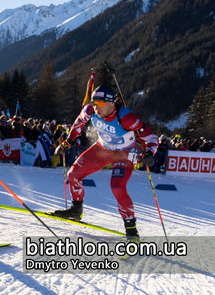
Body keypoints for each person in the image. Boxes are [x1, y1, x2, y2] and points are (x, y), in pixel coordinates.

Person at [52, 85, 158, 241]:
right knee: (73, 175)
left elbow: (151, 137)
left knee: (117, 187)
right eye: (94, 103)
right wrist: (68, 141)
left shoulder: (127, 118)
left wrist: (149, 152)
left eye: (100, 104)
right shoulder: (90, 110)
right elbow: (79, 123)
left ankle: (131, 229)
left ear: (112, 103)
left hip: (123, 154)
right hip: (102, 149)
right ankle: (76, 210)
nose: (96, 108)